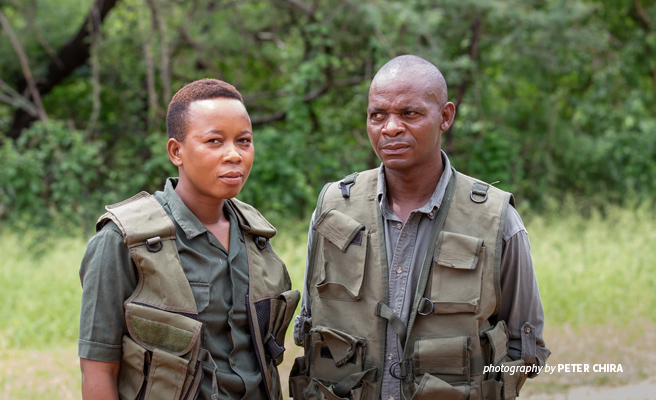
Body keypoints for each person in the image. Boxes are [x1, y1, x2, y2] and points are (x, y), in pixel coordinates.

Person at [289, 55, 550, 400]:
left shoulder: (495, 219)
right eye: (377, 115)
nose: (390, 127)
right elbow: (311, 324)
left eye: (409, 114)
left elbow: (524, 346)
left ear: (445, 117)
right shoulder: (333, 208)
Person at [78, 78, 299, 400]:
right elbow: (98, 367)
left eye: (244, 141)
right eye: (214, 141)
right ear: (176, 151)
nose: (234, 155)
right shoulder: (123, 241)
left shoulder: (257, 237)